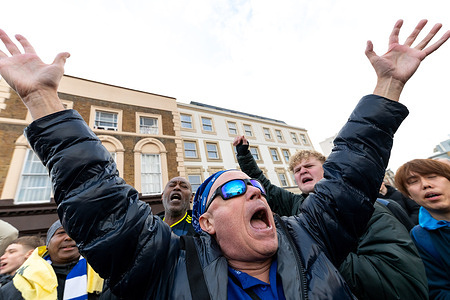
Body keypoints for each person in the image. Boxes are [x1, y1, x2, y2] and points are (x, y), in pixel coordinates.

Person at [0, 19, 448, 299]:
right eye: (232, 189)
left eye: (253, 188)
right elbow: (96, 196)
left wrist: (387, 87)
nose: (253, 189)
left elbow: (353, 169)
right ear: (207, 221)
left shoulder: (310, 237)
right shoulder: (164, 267)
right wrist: (41, 98)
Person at [234, 142, 427, 299]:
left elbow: (402, 286)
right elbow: (263, 182)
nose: (302, 171)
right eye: (297, 169)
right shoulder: (295, 204)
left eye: (308, 166)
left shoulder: (363, 205)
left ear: (326, 169)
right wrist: (243, 154)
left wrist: (320, 248)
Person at [0, 220, 104, 300]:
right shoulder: (15, 287)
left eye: (74, 233)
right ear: (47, 246)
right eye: (61, 232)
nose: (68, 237)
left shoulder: (105, 274)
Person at [395, 159, 450, 300]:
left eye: (432, 176)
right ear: (409, 195)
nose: (426, 184)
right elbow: (436, 291)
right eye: (413, 181)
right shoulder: (420, 238)